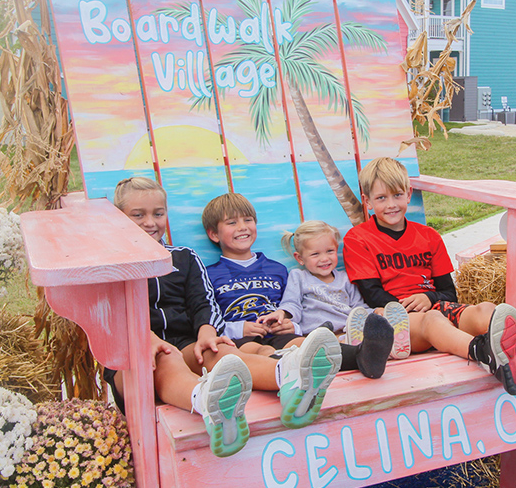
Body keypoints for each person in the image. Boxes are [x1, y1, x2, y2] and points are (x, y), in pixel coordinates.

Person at [107, 177, 343, 458]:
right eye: (138, 215)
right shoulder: (110, 264)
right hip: (131, 359)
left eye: (158, 214)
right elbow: (108, 312)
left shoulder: (182, 258)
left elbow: (202, 302)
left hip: (185, 344)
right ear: (119, 217)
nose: (150, 222)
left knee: (220, 353)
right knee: (166, 358)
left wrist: (207, 330)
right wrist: (144, 337)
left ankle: (289, 377)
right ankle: (209, 403)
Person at [342, 157, 516, 396]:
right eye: (381, 198)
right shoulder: (359, 239)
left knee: (485, 310)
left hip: (433, 306)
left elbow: (449, 293)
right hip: (395, 322)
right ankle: (484, 354)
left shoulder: (428, 236)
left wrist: (428, 297)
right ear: (367, 201)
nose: (391, 204)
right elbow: (372, 294)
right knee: (432, 319)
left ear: (408, 193)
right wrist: (413, 306)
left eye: (397, 195)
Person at [201, 193, 394, 379]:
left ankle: (364, 357)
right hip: (242, 338)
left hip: (280, 333)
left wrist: (289, 324)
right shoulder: (209, 274)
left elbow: (292, 303)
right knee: (260, 350)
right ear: (214, 234)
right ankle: (285, 373)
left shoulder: (275, 269)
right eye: (232, 223)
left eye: (248, 220)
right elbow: (207, 318)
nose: (242, 227)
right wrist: (238, 329)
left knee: (308, 346)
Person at [257, 220, 411, 377]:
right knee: (334, 343)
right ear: (300, 258)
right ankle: (374, 350)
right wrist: (282, 314)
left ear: (336, 249)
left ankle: (392, 340)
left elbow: (358, 308)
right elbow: (291, 303)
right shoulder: (299, 277)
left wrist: (376, 312)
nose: (324, 259)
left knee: (369, 322)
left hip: (349, 330)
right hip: (319, 332)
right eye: (315, 254)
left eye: (329, 251)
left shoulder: (345, 279)